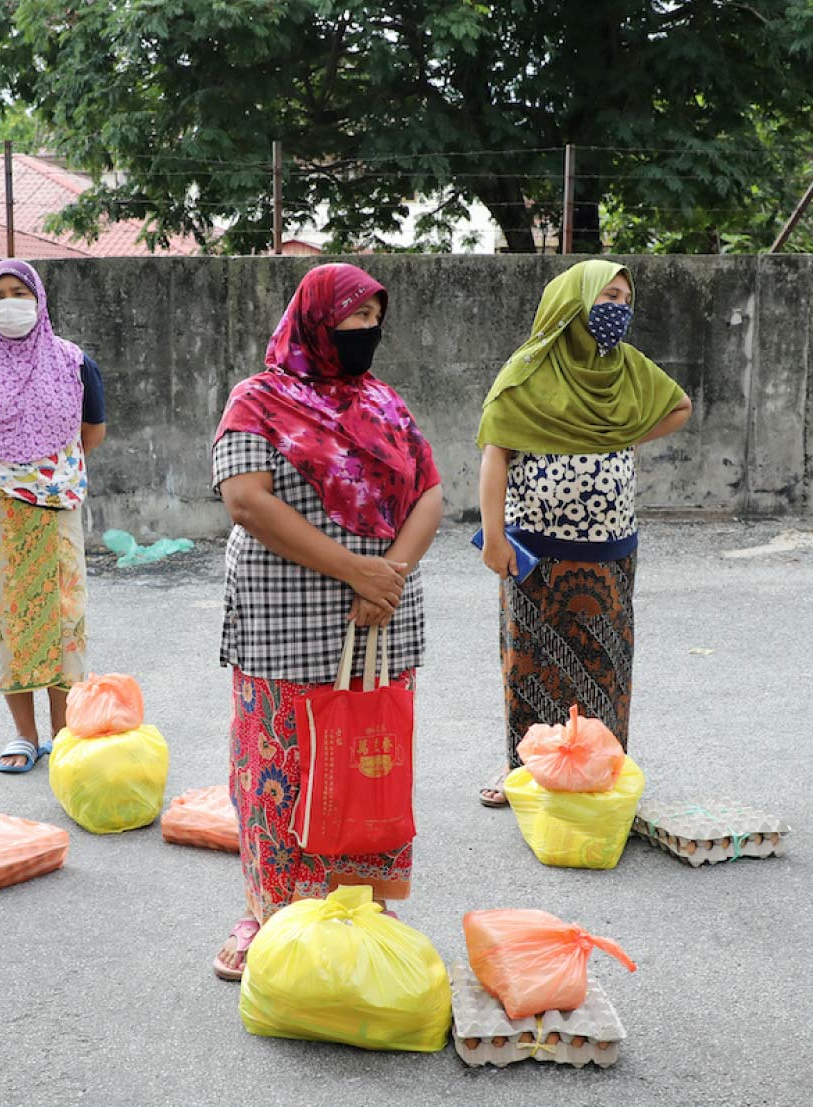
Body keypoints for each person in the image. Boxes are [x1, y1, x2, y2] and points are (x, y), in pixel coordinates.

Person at [210, 263, 444, 980]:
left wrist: (388, 576)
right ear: (315, 319)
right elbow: (245, 499)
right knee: (278, 768)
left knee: (366, 764)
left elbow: (430, 492)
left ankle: (357, 904)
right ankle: (270, 914)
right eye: (351, 318)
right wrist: (356, 570)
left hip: (380, 618)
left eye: (375, 318)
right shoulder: (258, 400)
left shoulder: (384, 403)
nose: (365, 332)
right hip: (285, 619)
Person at [474, 259, 691, 808]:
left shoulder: (627, 368)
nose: (616, 309)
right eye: (605, 298)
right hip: (536, 553)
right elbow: (495, 455)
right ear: (572, 302)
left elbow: (680, 406)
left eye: (623, 299)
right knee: (529, 666)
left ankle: (599, 771)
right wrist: (493, 536)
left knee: (606, 668)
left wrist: (619, 437)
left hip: (610, 554)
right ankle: (521, 772)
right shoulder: (526, 371)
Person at [0, 259, 106, 774]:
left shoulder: (74, 362)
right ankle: (24, 735)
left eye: (19, 292)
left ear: (40, 299)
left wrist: (41, 468)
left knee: (62, 613)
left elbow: (91, 433)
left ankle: (63, 733)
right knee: (6, 615)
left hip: (55, 504)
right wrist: (4, 467)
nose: (10, 304)